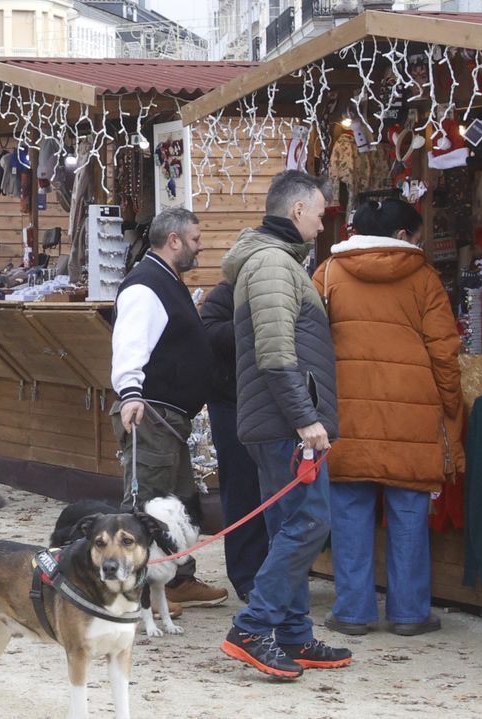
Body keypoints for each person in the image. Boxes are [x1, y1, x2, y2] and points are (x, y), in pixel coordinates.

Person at [219, 170, 349, 678]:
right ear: (296, 211)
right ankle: (253, 628)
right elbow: (275, 356)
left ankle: (294, 635)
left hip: (273, 423)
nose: (321, 224)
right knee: (310, 523)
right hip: (285, 426)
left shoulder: (274, 262)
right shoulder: (274, 264)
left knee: (289, 528)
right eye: (318, 213)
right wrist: (306, 419)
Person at [313, 198, 463, 637]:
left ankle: (353, 612)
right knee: (409, 513)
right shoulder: (424, 278)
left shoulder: (328, 274)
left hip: (346, 414)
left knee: (349, 513)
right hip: (412, 416)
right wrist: (450, 405)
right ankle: (410, 612)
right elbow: (444, 352)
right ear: (402, 236)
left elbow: (309, 342)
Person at [109, 207, 228, 610]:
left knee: (177, 505)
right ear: (174, 240)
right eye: (195, 239)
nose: (200, 246)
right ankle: (132, 591)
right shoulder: (145, 285)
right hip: (150, 413)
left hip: (168, 417)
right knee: (147, 504)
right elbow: (130, 344)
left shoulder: (164, 280)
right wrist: (131, 392)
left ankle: (176, 580)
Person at [199, 279, 269, 603]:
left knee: (270, 491)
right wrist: (255, 323)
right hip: (232, 403)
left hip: (270, 401)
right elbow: (209, 332)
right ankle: (246, 576)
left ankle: (271, 573)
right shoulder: (228, 292)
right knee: (242, 489)